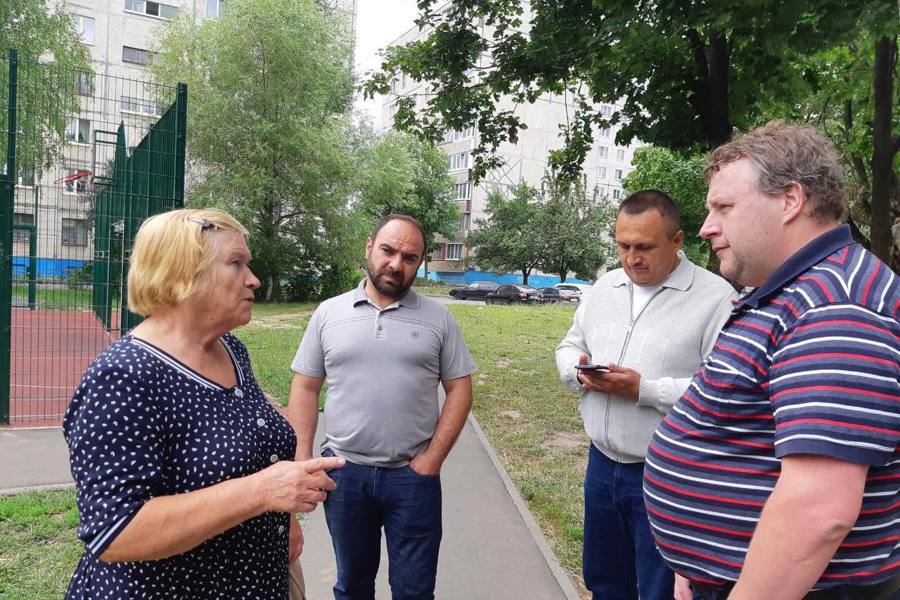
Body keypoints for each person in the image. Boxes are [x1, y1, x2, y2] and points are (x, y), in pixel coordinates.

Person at [644, 122, 900, 600]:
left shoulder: (835, 306)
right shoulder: (792, 293)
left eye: (723, 208)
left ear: (790, 200)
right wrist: (697, 559)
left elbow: (818, 511)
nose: (706, 227)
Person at [63, 208, 344, 600]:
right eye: (236, 263)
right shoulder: (122, 377)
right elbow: (116, 531)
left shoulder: (229, 348)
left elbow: (250, 449)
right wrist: (262, 492)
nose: (253, 279)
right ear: (183, 275)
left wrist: (284, 518)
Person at [555, 190, 736, 599]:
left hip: (668, 472)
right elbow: (570, 344)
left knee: (660, 589)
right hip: (601, 464)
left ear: (677, 240)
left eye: (644, 247)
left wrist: (645, 390)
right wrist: (577, 371)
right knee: (604, 580)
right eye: (623, 246)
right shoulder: (606, 286)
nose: (631, 258)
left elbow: (722, 388)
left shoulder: (716, 299)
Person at [288, 214, 476, 600]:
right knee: (352, 585)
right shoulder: (329, 313)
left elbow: (460, 389)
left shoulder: (439, 319)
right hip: (345, 475)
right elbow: (305, 386)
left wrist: (432, 459)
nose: (395, 264)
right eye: (388, 251)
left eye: (409, 257)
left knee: (414, 590)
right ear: (369, 247)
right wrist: (303, 458)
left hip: (412, 479)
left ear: (420, 262)